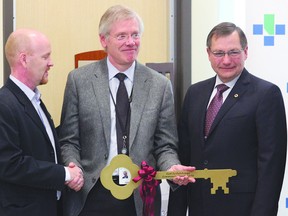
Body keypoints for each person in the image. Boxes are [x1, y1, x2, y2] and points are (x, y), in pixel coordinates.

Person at [58, 5, 195, 216]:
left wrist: (172, 167)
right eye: (122, 36)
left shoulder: (159, 85)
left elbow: (165, 145)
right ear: (104, 40)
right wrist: (73, 168)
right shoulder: (79, 81)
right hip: (92, 191)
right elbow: (69, 139)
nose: (131, 42)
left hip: (139, 194)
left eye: (135, 35)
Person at [168, 22, 287, 216]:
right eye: (218, 53)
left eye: (233, 52)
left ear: (245, 51)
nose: (226, 60)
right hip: (199, 208)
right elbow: (185, 156)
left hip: (242, 209)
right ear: (208, 53)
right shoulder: (195, 93)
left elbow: (271, 167)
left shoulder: (266, 94)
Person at [0, 29, 84, 216]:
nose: (51, 62)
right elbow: (10, 164)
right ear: (24, 59)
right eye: (45, 57)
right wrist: (64, 174)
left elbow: (43, 146)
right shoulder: (4, 104)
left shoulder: (34, 100)